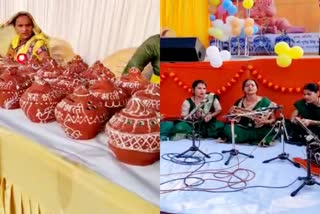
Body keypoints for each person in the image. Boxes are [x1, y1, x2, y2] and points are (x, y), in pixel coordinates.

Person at [222, 79, 276, 146]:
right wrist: (230, 113)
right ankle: (250, 138)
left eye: (252, 85)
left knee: (269, 131)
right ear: (243, 89)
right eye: (247, 86)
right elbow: (231, 117)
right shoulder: (239, 102)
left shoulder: (265, 101)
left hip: (259, 129)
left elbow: (273, 119)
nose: (250, 87)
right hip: (243, 128)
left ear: (257, 88)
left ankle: (244, 138)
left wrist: (264, 121)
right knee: (227, 128)